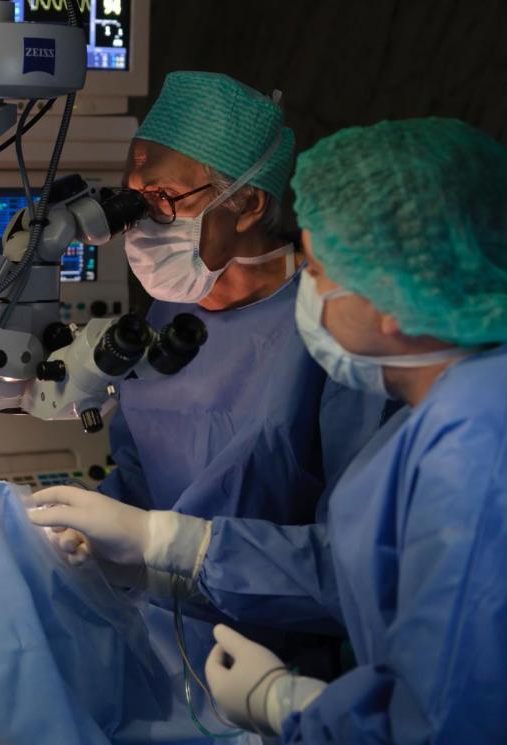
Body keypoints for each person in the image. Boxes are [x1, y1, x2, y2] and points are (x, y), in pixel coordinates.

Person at [32, 117, 507, 742]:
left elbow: (474, 719)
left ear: (392, 297)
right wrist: (158, 546)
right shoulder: (483, 397)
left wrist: (292, 706)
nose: (307, 282)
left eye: (322, 268)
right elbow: (371, 565)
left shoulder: (485, 448)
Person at [97, 70, 390, 736]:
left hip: (281, 670)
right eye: (134, 198)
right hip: (160, 653)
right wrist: (95, 531)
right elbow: (141, 476)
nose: (143, 221)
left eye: (166, 196)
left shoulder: (331, 331)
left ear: (248, 206)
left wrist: (174, 548)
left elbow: (360, 562)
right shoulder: (169, 309)